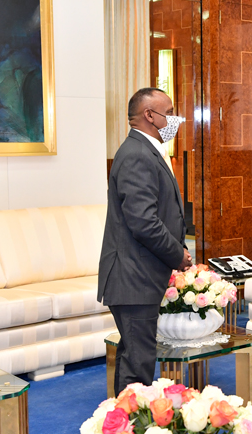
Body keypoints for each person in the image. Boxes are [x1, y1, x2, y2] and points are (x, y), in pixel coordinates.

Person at [98, 87, 193, 396]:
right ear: (150, 116)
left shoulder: (145, 150)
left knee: (135, 357)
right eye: (170, 111)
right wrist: (177, 254)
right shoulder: (137, 153)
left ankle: (126, 422)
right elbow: (144, 222)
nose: (175, 118)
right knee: (138, 364)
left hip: (138, 274)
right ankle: (129, 424)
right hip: (133, 276)